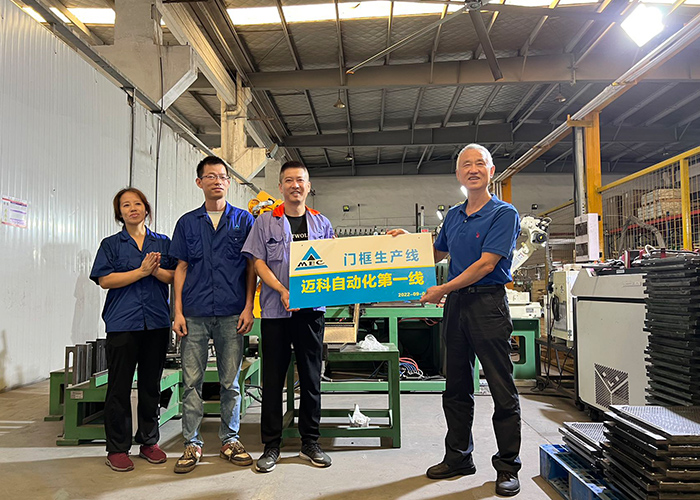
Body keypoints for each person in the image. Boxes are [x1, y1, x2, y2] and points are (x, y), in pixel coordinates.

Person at [389, 143, 522, 496]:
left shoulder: (503, 213)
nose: (473, 169)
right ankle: (458, 457)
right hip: (457, 307)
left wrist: (442, 288)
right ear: (458, 173)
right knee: (456, 387)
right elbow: (436, 253)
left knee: (501, 389)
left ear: (491, 171)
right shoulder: (454, 215)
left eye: (480, 163)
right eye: (466, 164)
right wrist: (407, 243)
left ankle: (508, 467)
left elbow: (486, 264)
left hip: (488, 305)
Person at [241, 161, 334, 473]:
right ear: (280, 187)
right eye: (290, 180)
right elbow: (258, 262)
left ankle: (311, 442)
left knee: (310, 377)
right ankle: (271, 445)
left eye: (301, 180)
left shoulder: (322, 223)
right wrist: (282, 290)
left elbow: (336, 262)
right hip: (275, 311)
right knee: (273, 379)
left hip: (311, 311)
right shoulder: (265, 221)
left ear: (308, 186)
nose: (296, 185)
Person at [170, 155, 256, 474]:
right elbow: (180, 268)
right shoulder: (187, 223)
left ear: (229, 182)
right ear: (199, 182)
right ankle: (192, 443)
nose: (217, 181)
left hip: (232, 312)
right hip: (194, 312)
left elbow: (251, 268)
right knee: (191, 381)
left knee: (230, 382)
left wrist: (248, 307)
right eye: (210, 176)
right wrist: (177, 312)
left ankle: (230, 439)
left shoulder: (244, 220)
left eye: (222, 176)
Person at [90, 188, 176, 472]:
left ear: (146, 208)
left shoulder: (162, 242)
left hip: (156, 323)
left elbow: (175, 276)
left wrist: (155, 271)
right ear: (120, 213)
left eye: (137, 203)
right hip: (123, 323)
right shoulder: (111, 245)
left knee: (151, 385)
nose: (132, 209)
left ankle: (149, 442)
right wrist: (140, 272)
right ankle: (117, 448)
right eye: (125, 205)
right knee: (119, 387)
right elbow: (105, 280)